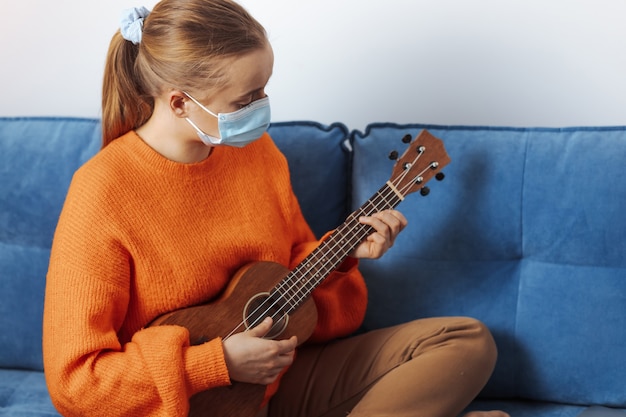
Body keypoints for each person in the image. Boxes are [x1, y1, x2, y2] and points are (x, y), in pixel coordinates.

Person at [42, 1, 510, 416]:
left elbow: (285, 285)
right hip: (184, 406)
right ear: (181, 103)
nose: (262, 108)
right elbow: (75, 384)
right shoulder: (102, 192)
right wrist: (216, 363)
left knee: (464, 342)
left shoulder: (258, 154)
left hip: (274, 383)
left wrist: (346, 255)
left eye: (264, 89)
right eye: (245, 99)